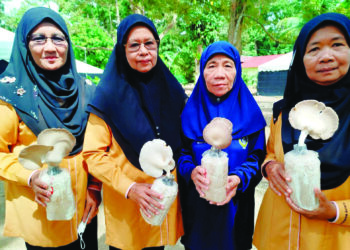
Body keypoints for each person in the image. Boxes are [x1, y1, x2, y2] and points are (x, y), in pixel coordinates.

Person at [82, 14, 186, 249]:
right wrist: (129, 188)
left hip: (163, 202)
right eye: (134, 45)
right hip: (127, 206)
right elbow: (93, 154)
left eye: (149, 43)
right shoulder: (107, 96)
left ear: (157, 45)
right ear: (122, 50)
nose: (143, 51)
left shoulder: (172, 90)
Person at [0, 7, 101, 249]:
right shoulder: (11, 96)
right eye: (38, 39)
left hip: (84, 210)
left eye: (58, 38)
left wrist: (95, 187)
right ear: (25, 45)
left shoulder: (87, 91)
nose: (50, 47)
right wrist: (30, 176)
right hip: (40, 215)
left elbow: (97, 147)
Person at [253, 13, 350, 249]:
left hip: (331, 239)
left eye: (337, 44)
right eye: (314, 49)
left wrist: (335, 210)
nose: (326, 57)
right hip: (277, 235)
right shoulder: (285, 113)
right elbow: (271, 153)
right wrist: (270, 167)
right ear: (300, 60)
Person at [178, 41, 266, 250]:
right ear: (202, 71)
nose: (219, 73)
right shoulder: (189, 113)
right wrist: (191, 172)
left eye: (227, 65)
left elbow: (258, 157)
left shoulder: (251, 114)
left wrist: (238, 178)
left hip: (237, 212)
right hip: (198, 213)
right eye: (211, 66)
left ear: (237, 70)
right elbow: (181, 154)